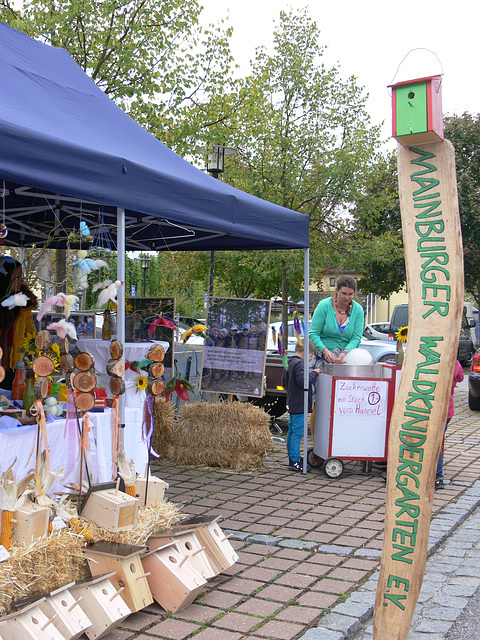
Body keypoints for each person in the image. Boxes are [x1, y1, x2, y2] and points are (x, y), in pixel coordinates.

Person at [281, 340, 321, 472]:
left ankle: (293, 457)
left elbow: (283, 382)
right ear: (306, 352)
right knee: (297, 432)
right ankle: (295, 460)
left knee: (292, 431)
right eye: (310, 356)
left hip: (292, 401)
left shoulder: (289, 363)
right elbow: (303, 381)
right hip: (300, 404)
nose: (310, 358)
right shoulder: (300, 365)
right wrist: (314, 373)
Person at [0, 257, 37, 389]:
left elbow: (31, 335)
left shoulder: (24, 307)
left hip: (13, 368)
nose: (21, 282)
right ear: (5, 278)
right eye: (18, 277)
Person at [309, 275, 364, 363]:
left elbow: (356, 338)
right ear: (336, 290)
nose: (347, 298)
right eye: (343, 294)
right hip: (321, 358)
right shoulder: (324, 306)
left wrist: (346, 352)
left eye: (350, 294)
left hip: (345, 360)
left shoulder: (358, 310)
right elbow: (313, 334)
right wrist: (325, 351)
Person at [436, 360, 464, 490]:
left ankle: (437, 475)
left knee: (433, 443)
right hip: (448, 410)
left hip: (433, 409)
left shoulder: (431, 359)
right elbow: (461, 378)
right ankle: (437, 475)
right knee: (437, 442)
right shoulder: (454, 362)